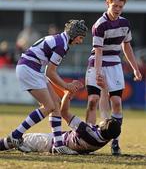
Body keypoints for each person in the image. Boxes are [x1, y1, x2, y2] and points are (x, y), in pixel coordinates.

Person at [6, 19, 88, 154]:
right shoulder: (62, 45)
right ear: (73, 35)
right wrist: (67, 86)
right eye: (80, 38)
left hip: (33, 68)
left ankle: (58, 145)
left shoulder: (61, 40)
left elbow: (48, 73)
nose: (80, 41)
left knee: (56, 103)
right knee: (49, 106)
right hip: (29, 68)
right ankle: (16, 134)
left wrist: (64, 88)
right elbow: (50, 72)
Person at [85, 0, 142, 155]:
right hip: (97, 62)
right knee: (93, 100)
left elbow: (127, 46)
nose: (117, 9)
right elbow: (98, 51)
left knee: (116, 102)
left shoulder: (125, 23)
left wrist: (135, 68)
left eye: (120, 6)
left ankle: (115, 143)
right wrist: (98, 72)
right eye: (115, 5)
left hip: (115, 64)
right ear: (107, 4)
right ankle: (88, 138)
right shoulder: (99, 25)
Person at [0, 91, 121, 154]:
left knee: (17, 140)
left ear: (102, 127)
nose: (102, 119)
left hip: (50, 143)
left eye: (105, 121)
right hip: (58, 142)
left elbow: (64, 112)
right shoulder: (106, 138)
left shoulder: (87, 131)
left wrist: (67, 94)